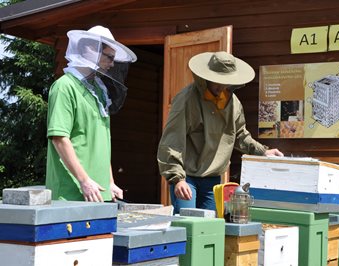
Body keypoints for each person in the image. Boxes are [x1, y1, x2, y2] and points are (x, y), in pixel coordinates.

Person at [157, 51, 283, 213]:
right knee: (189, 226)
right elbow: (172, 140)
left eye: (226, 82)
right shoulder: (186, 99)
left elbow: (240, 135)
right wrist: (177, 178)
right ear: (206, 77)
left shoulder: (233, 103)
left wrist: (263, 152)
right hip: (187, 178)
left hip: (213, 179)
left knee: (210, 229)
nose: (221, 86)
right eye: (217, 81)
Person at [46, 25, 137, 202]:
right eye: (109, 57)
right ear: (90, 50)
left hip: (98, 192)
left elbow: (102, 143)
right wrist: (84, 180)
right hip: (70, 194)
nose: (112, 64)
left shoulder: (99, 91)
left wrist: (109, 181)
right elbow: (59, 138)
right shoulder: (64, 86)